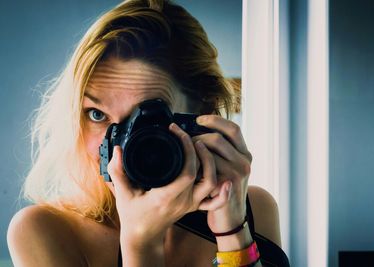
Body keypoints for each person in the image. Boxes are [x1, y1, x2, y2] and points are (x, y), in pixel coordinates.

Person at [7, 0, 286, 266]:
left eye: (144, 122)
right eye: (96, 114)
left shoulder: (254, 208)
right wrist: (141, 241)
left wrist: (233, 232)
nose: (119, 149)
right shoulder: (46, 231)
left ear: (203, 115)